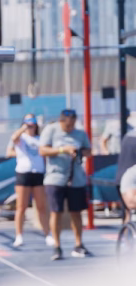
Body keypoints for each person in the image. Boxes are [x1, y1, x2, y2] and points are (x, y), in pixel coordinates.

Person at [39, 109, 92, 261]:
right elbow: (42, 150)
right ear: (61, 121)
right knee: (56, 212)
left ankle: (78, 244)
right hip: (55, 177)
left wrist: (78, 152)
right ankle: (57, 246)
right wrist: (63, 150)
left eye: (72, 125)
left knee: (76, 212)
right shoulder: (51, 130)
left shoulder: (80, 134)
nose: (70, 128)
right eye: (67, 125)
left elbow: (89, 151)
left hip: (76, 179)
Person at [6, 115, 53, 248]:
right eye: (28, 123)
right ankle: (19, 235)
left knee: (41, 207)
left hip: (38, 174)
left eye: (32, 123)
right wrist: (24, 128)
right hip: (23, 173)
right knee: (21, 207)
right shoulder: (21, 138)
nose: (30, 126)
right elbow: (13, 138)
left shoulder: (40, 138)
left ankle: (48, 234)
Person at [115, 126, 136, 223]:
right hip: (129, 179)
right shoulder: (132, 138)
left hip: (121, 178)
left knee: (128, 214)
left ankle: (126, 230)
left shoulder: (128, 136)